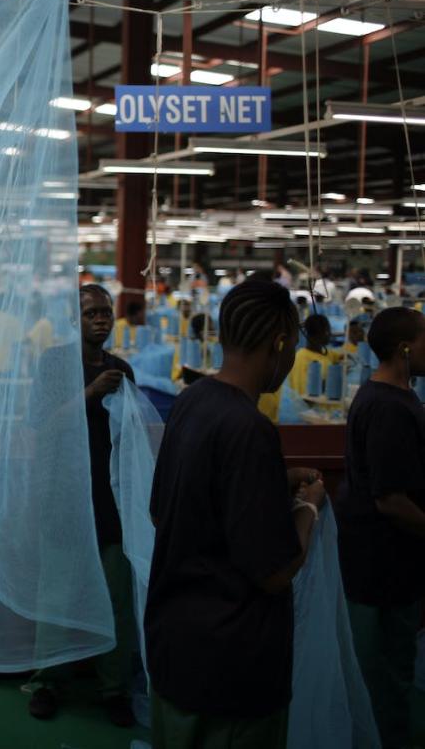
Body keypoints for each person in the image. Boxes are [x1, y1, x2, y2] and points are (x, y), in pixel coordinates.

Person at [145, 279, 326, 748]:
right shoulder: (250, 428)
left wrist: (269, 481)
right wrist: (308, 507)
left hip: (177, 649)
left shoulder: (191, 402)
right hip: (232, 668)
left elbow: (164, 512)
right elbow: (274, 571)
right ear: (280, 343)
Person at [27, 284, 137, 727]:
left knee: (115, 599)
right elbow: (42, 424)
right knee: (56, 597)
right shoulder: (55, 364)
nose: (100, 318)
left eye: (105, 312)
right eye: (90, 312)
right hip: (64, 497)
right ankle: (46, 682)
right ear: (75, 319)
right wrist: (90, 393)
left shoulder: (122, 369)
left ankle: (114, 688)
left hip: (109, 502)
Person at [336, 306, 425, 748]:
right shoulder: (390, 408)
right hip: (382, 563)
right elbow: (391, 500)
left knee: (388, 666)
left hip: (382, 560)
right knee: (387, 671)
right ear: (405, 348)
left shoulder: (387, 396)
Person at [286, 313, 341, 397]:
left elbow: (337, 357)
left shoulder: (323, 352)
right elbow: (303, 393)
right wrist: (329, 383)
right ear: (319, 334)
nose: (330, 334)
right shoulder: (301, 359)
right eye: (327, 330)